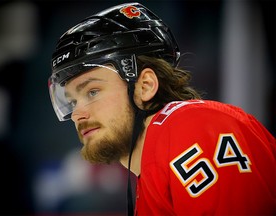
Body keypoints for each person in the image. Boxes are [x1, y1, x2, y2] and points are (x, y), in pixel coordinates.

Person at [48, 2, 276, 215]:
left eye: (92, 92)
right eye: (73, 101)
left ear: (145, 86)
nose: (77, 114)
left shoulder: (191, 128)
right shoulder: (150, 176)